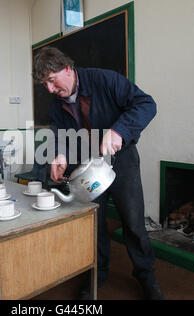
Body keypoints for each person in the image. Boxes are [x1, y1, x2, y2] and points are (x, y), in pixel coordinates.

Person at [33, 46, 164, 300]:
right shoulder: (55, 103)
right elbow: (59, 134)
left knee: (134, 222)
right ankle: (97, 273)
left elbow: (146, 104)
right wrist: (60, 154)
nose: (50, 89)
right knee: (94, 224)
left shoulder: (105, 79)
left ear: (68, 69)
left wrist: (119, 131)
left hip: (121, 161)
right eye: (44, 84)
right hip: (86, 168)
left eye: (51, 80)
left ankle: (146, 274)